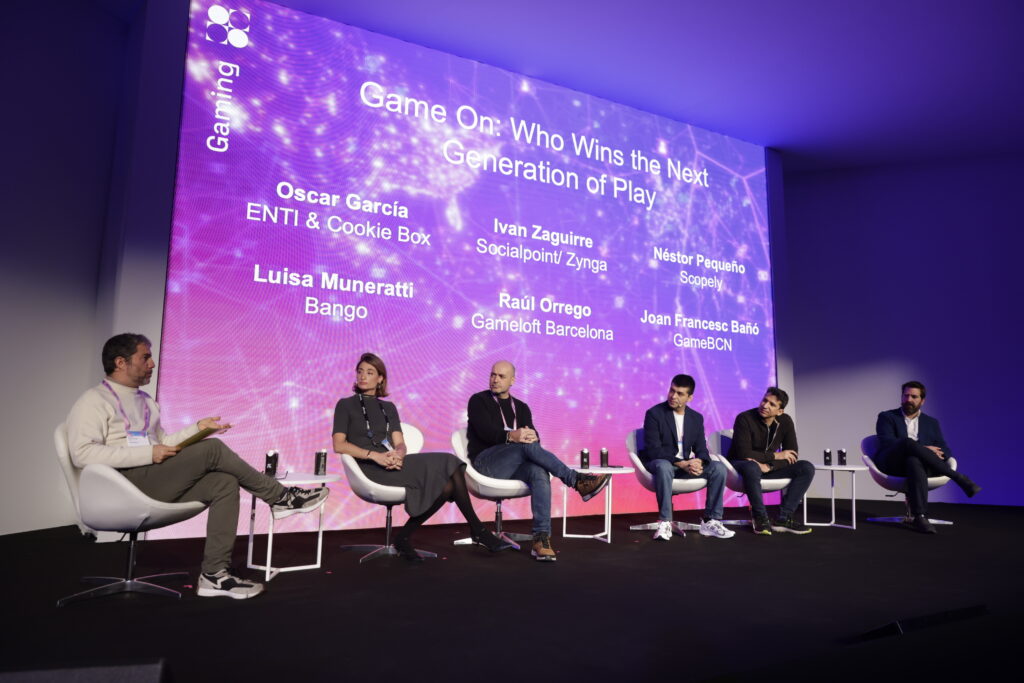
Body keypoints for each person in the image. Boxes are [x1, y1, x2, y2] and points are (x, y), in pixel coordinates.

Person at [66, 333, 329, 599]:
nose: (152, 364)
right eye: (145, 357)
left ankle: (214, 575)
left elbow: (164, 444)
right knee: (213, 449)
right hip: (122, 485)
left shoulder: (146, 402)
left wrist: (198, 429)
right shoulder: (93, 401)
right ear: (120, 362)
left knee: (224, 483)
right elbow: (82, 454)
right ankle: (281, 497)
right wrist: (148, 453)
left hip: (153, 477)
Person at [332, 353, 512, 561]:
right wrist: (375, 456)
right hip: (369, 467)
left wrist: (399, 455)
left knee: (449, 470)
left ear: (380, 378)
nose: (363, 376)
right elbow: (339, 444)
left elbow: (400, 443)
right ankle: (477, 530)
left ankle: (406, 537)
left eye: (370, 372)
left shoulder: (388, 407)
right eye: (360, 371)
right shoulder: (345, 405)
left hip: (392, 463)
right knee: (448, 473)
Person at [466, 360, 611, 562]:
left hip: (514, 465)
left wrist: (532, 437)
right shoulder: (478, 400)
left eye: (501, 376)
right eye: (493, 375)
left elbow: (534, 442)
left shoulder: (521, 407)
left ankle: (541, 538)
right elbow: (485, 432)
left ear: (512, 380)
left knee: (538, 471)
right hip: (486, 463)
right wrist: (513, 436)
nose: (495, 379)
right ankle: (576, 480)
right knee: (525, 446)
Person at [874, 381, 980, 534]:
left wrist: (927, 452)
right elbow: (887, 442)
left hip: (920, 466)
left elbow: (944, 449)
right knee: (906, 442)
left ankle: (920, 517)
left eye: (914, 396)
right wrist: (923, 448)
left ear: (922, 400)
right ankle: (958, 478)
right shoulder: (887, 416)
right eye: (906, 395)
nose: (908, 399)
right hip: (893, 463)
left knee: (913, 460)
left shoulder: (931, 423)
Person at [638, 374, 735, 541]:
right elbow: (654, 450)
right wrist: (682, 463)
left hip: (686, 465)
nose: (673, 396)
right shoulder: (654, 414)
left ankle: (711, 521)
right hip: (662, 463)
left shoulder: (696, 418)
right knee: (663, 466)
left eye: (680, 393)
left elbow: (701, 448)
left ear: (690, 398)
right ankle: (665, 522)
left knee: (719, 468)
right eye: (672, 390)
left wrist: (699, 461)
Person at [727, 387, 815, 535]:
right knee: (752, 466)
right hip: (740, 465)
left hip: (767, 468)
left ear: (780, 411)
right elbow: (744, 453)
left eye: (772, 404)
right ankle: (760, 517)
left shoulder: (785, 421)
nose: (765, 405)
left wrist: (770, 466)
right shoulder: (744, 418)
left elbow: (792, 455)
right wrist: (775, 456)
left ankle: (784, 518)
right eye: (764, 400)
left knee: (806, 467)